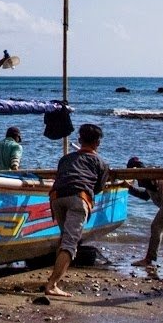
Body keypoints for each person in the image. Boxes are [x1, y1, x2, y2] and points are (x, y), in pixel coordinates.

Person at [43, 122, 110, 298]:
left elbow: (61, 176)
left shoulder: (65, 159)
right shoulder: (101, 162)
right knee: (70, 243)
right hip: (78, 198)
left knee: (65, 238)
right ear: (98, 143)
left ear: (79, 140)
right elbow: (98, 188)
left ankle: (55, 279)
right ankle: (52, 284)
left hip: (56, 198)